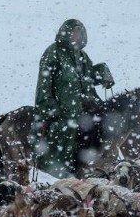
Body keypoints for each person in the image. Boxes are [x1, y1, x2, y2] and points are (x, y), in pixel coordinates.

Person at [32, 19, 114, 178]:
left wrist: (103, 73)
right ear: (65, 33)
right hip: (64, 109)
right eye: (73, 32)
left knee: (107, 123)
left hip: (86, 105)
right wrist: (50, 107)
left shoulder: (82, 56)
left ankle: (103, 163)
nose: (76, 35)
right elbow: (44, 84)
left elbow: (88, 77)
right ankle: (69, 167)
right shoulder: (53, 52)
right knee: (70, 128)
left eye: (79, 32)